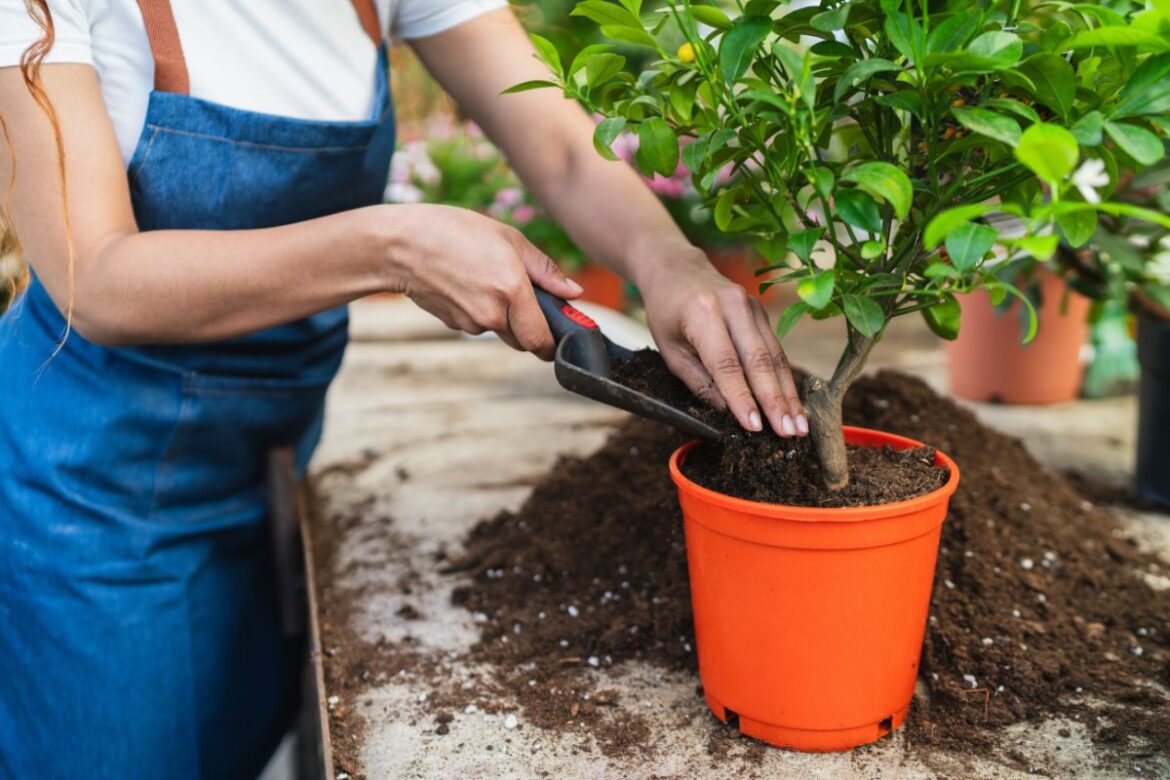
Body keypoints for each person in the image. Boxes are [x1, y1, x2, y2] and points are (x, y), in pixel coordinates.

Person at [0, 1, 806, 776]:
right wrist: (393, 246)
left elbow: (560, 148)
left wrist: (667, 262)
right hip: (94, 496)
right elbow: (93, 278)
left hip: (271, 459)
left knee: (241, 735)